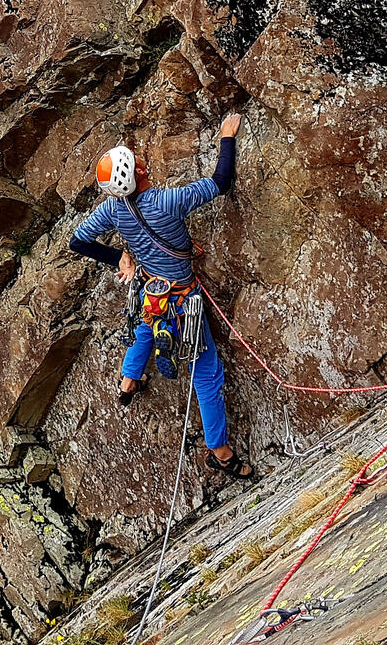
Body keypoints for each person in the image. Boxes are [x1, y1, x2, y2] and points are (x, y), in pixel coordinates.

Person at [69, 113, 251, 478]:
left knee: (145, 327)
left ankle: (129, 380)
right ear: (137, 173)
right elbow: (221, 181)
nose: (141, 160)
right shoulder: (169, 201)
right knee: (207, 374)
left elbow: (78, 241)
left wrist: (117, 255)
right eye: (136, 161)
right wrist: (226, 137)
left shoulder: (112, 210)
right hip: (184, 298)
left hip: (151, 289)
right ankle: (220, 450)